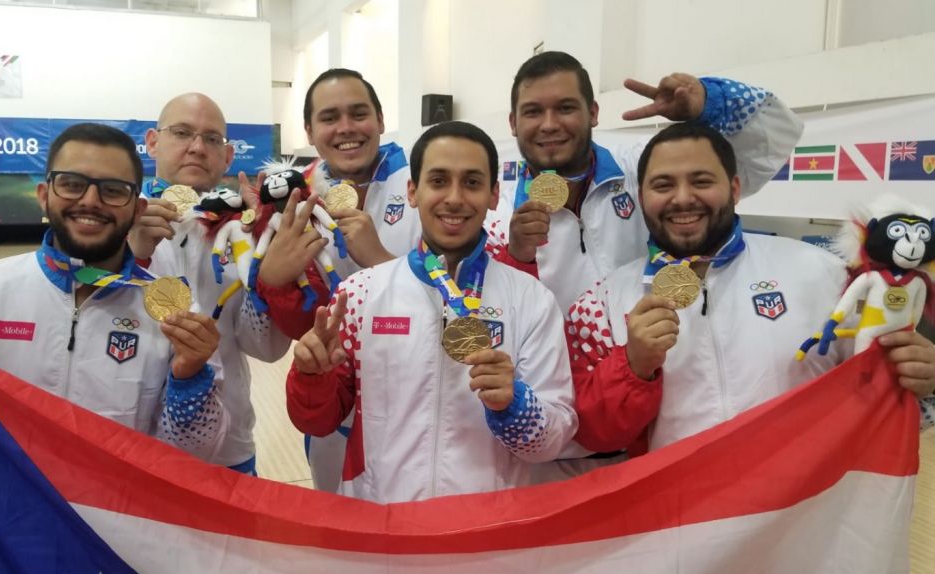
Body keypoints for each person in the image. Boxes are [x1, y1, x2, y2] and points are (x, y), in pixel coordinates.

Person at [565, 121, 935, 455]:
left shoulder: (823, 273)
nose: (682, 197)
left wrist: (923, 380)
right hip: (684, 521)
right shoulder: (601, 302)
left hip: (803, 516)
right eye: (663, 185)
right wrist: (632, 367)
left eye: (701, 181)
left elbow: (878, 388)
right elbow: (594, 436)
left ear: (735, 188)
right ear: (642, 196)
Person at [285, 121, 577, 504]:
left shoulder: (532, 300)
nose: (454, 198)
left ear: (493, 195)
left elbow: (552, 441)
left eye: (471, 183)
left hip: (487, 533)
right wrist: (311, 377)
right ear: (412, 191)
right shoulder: (360, 294)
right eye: (438, 181)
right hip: (383, 527)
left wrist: (515, 406)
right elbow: (317, 422)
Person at [0, 123, 225, 459]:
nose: (90, 201)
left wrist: (189, 378)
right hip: (2, 506)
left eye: (113, 190)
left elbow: (198, 451)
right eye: (72, 184)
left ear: (137, 209)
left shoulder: (177, 311)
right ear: (44, 195)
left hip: (108, 509)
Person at [485, 51, 803, 314]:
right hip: (567, 378)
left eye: (566, 108)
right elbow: (494, 313)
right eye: (533, 112)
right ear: (513, 123)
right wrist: (517, 255)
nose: (550, 124)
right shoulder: (495, 215)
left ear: (593, 113)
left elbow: (773, 142)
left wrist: (709, 104)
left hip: (663, 363)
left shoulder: (643, 167)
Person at [256, 69, 422, 492]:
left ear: (381, 120)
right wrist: (274, 283)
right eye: (330, 117)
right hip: (330, 403)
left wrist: (381, 261)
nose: (346, 128)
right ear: (310, 131)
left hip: (418, 396)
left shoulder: (424, 183)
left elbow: (458, 300)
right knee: (340, 535)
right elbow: (298, 324)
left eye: (358, 113)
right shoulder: (295, 200)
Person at [130, 93, 291, 475]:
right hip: (132, 445)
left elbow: (265, 350)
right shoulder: (116, 220)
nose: (197, 148)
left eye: (212, 139)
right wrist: (131, 257)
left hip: (227, 447)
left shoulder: (249, 233)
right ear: (152, 141)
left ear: (229, 156)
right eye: (182, 132)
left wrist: (266, 274)